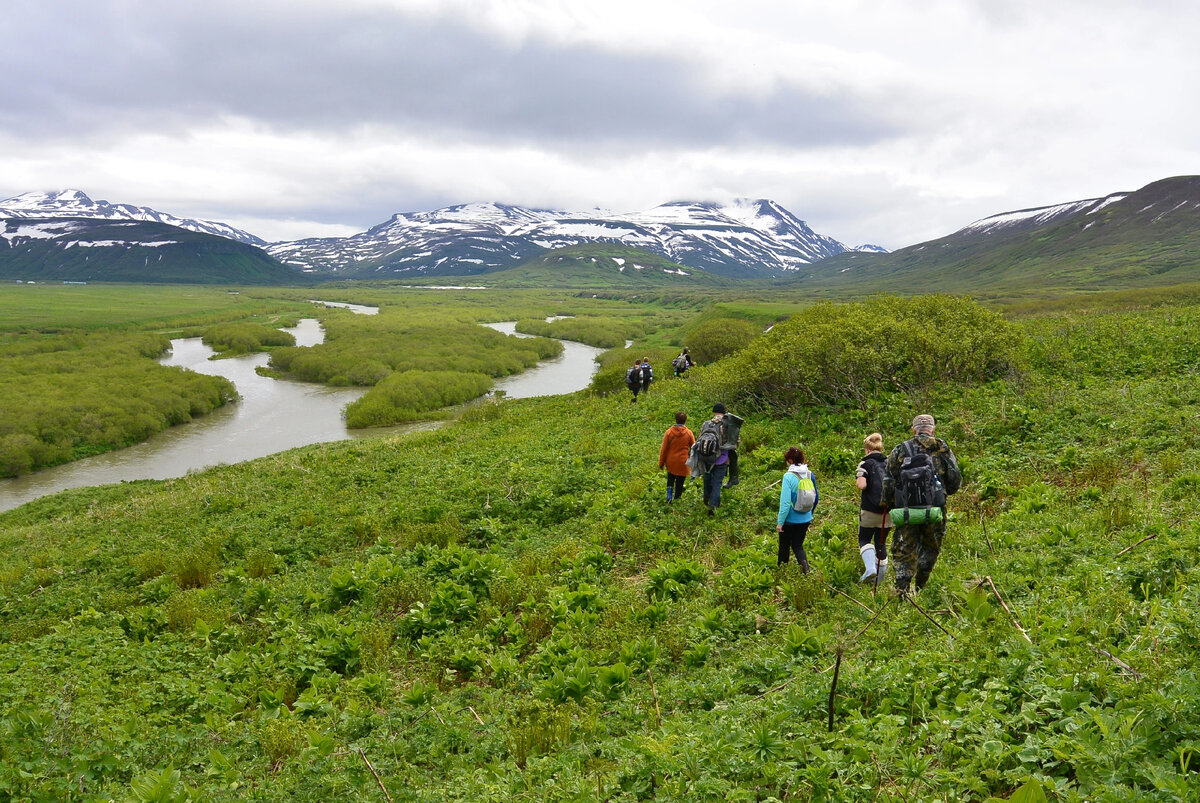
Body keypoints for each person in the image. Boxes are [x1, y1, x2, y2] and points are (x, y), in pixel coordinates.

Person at [882, 414, 961, 594]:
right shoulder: (942, 447)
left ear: (913, 430)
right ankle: (920, 587)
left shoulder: (900, 449)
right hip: (934, 510)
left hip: (906, 511)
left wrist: (888, 504)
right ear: (932, 429)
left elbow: (888, 481)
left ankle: (902, 591)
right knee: (931, 548)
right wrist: (945, 492)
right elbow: (955, 478)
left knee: (904, 551)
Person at [855, 433, 891, 584]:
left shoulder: (864, 464)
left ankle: (870, 569)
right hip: (888, 512)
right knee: (881, 544)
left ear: (867, 450)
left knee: (864, 539)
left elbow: (862, 485)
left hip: (869, 511)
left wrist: (860, 480)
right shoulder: (890, 463)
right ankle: (878, 581)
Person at [776, 447, 818, 570]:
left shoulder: (788, 477)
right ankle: (806, 570)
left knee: (784, 547)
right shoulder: (810, 474)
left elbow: (785, 503)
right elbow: (816, 497)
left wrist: (780, 522)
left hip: (789, 520)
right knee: (798, 546)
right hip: (805, 519)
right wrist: (810, 513)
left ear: (789, 460)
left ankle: (782, 573)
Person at [699, 403, 732, 516]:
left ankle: (706, 500)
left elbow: (699, 440)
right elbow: (735, 442)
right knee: (717, 482)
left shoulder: (706, 424)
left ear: (714, 412)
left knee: (707, 479)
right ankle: (713, 506)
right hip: (721, 459)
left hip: (706, 458)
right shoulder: (727, 425)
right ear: (724, 413)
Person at [658, 411, 695, 503]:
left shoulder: (669, 432)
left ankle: (669, 497)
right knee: (680, 481)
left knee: (670, 478)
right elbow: (694, 448)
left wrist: (661, 463)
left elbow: (664, 449)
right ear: (685, 421)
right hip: (683, 461)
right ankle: (677, 498)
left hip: (671, 461)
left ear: (675, 420)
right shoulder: (689, 433)